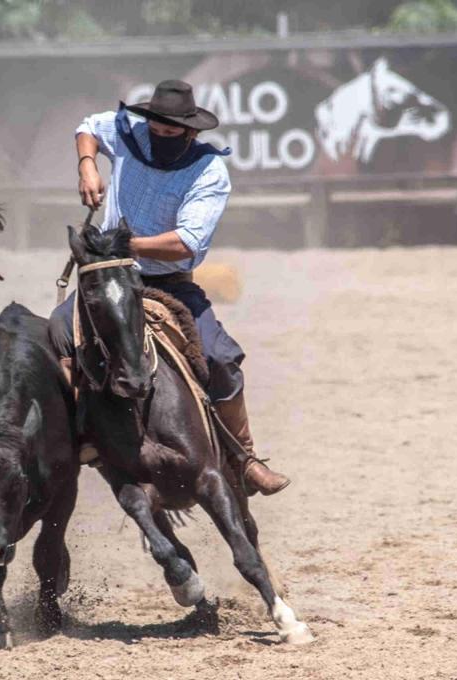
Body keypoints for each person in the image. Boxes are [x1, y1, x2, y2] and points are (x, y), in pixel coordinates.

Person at [49, 79, 290, 495]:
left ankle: (243, 456)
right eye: (155, 130)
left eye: (169, 133)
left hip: (169, 283)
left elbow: (185, 242)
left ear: (190, 131)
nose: (158, 138)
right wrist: (87, 164)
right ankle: (72, 437)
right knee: (57, 332)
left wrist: (125, 246)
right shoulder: (129, 133)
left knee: (219, 357)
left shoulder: (209, 169)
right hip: (110, 278)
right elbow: (87, 126)